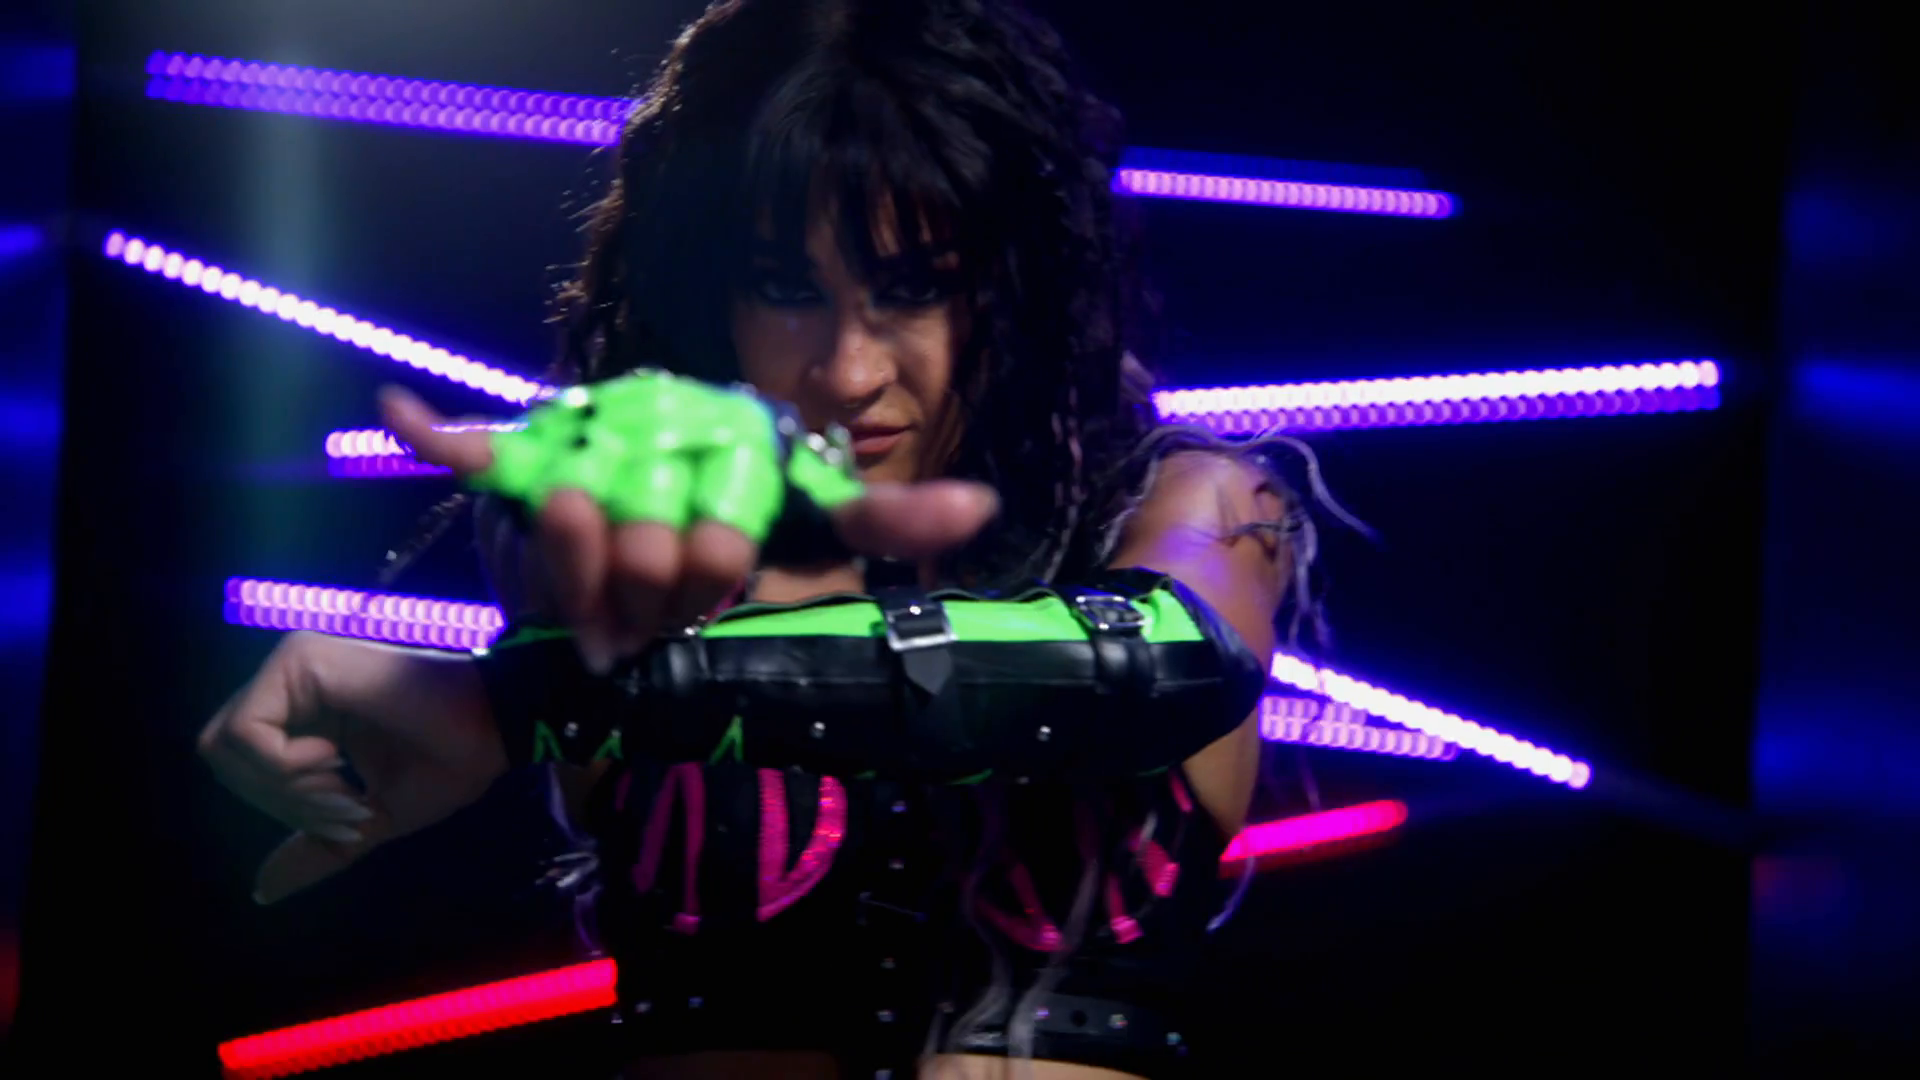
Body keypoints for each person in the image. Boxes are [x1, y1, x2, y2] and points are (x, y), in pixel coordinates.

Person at [199, 1, 1325, 1076]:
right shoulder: (620, 518)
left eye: (915, 288)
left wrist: (515, 705)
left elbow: (1158, 664)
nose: (849, 370)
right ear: (706, 291)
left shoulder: (1196, 502)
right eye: (786, 287)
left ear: (1018, 279)